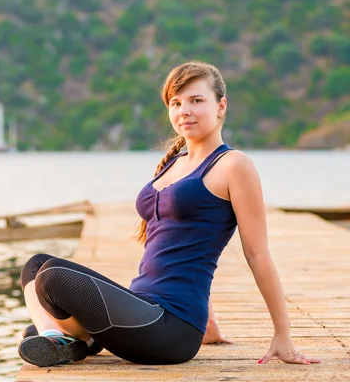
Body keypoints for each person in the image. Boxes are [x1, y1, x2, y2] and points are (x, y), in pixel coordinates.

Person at [17, 61, 321, 367]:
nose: (184, 110)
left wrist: (283, 334)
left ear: (221, 106)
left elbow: (257, 254)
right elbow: (179, 241)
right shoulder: (172, 164)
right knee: (36, 265)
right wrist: (211, 323)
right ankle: (60, 338)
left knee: (53, 278)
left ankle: (68, 337)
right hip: (139, 308)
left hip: (171, 328)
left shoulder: (233, 165)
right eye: (176, 103)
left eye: (196, 100)